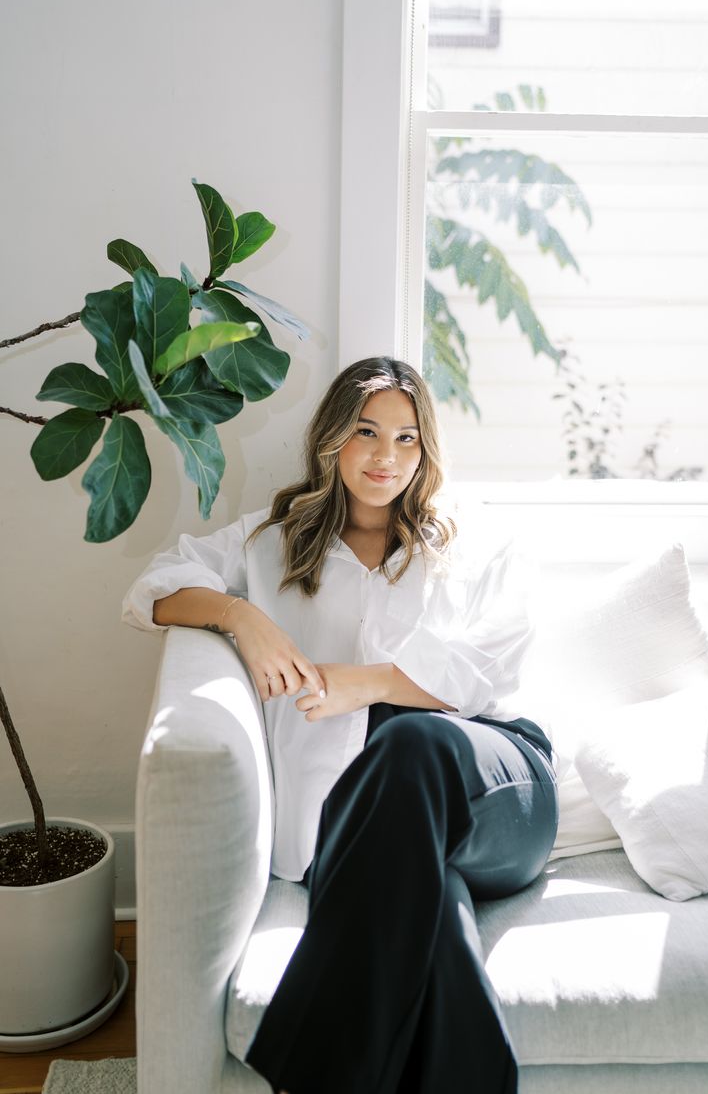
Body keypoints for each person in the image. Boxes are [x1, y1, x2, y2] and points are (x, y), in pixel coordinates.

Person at [123, 356, 558, 1094]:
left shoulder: (467, 539)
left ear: (426, 451)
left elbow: (497, 659)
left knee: (407, 737)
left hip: (497, 792)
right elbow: (151, 588)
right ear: (331, 439)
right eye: (365, 432)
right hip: (364, 836)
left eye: (406, 438)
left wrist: (365, 684)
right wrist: (242, 616)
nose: (385, 457)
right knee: (431, 924)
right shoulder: (271, 544)